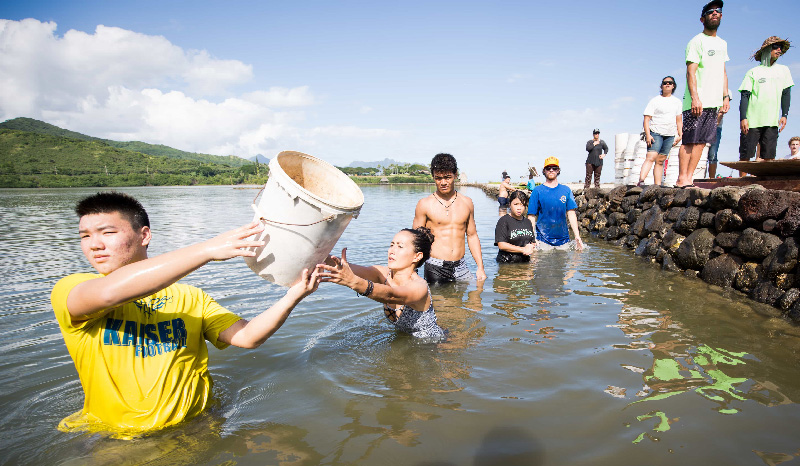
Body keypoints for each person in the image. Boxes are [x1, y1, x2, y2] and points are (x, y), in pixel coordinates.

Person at [50, 192, 320, 434]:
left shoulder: (190, 297)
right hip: (116, 438)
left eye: (107, 233)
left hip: (196, 428)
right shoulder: (72, 290)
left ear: (144, 235)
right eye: (85, 236)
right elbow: (110, 292)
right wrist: (207, 249)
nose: (94, 244)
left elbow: (248, 337)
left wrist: (293, 295)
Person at [317, 227, 446, 340]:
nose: (392, 251)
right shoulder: (382, 274)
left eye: (400, 246)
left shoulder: (419, 287)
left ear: (417, 256)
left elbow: (391, 295)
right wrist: (318, 254)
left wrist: (353, 281)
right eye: (391, 245)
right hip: (406, 338)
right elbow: (349, 268)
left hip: (431, 344)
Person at [676, 0, 730, 188]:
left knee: (702, 143)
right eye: (710, 12)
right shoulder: (696, 41)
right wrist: (695, 97)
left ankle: (689, 178)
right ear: (703, 18)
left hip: (713, 102)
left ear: (721, 16)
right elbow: (691, 71)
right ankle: (682, 178)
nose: (715, 13)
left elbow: (723, 72)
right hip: (695, 101)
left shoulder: (722, 44)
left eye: (718, 11)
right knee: (690, 140)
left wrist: (725, 97)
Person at [413, 153, 487, 283]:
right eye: (438, 178)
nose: (443, 182)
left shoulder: (467, 203)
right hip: (435, 267)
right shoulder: (424, 204)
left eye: (447, 177)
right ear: (433, 177)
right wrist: (411, 271)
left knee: (475, 299)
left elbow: (472, 235)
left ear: (456, 175)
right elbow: (415, 240)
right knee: (439, 302)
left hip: (461, 266)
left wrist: (480, 267)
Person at [738, 36, 793, 162]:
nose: (779, 50)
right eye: (775, 47)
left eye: (781, 47)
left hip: (772, 121)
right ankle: (742, 181)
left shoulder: (784, 70)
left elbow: (786, 93)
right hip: (752, 121)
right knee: (745, 154)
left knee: (769, 156)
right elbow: (744, 96)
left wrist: (784, 114)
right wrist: (743, 118)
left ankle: (764, 181)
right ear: (767, 49)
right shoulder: (753, 72)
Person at [528, 157, 585, 250]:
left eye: (554, 168)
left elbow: (571, 213)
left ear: (558, 170)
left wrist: (577, 236)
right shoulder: (537, 191)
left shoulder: (566, 190)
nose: (551, 170)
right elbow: (531, 216)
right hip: (542, 241)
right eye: (548, 168)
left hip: (564, 241)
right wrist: (532, 237)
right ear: (544, 171)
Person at [637, 76, 683, 187]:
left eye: (670, 83)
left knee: (661, 160)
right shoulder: (655, 100)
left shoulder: (677, 102)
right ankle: (641, 181)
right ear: (661, 86)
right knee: (651, 157)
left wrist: (680, 134)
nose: (667, 84)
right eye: (665, 83)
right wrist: (648, 135)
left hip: (669, 134)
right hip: (656, 132)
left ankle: (657, 185)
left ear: (673, 86)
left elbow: (679, 120)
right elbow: (646, 119)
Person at [495, 190, 536, 263]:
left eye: (522, 205)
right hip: (507, 262)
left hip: (524, 261)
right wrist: (522, 249)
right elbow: (501, 244)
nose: (519, 208)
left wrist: (531, 247)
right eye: (516, 204)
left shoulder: (527, 222)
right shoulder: (503, 221)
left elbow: (532, 241)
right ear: (510, 204)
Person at [707, 90, 732, 178]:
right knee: (701, 154)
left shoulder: (727, 91)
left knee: (713, 155)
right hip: (702, 126)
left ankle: (711, 179)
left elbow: (723, 109)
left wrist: (716, 123)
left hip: (716, 128)